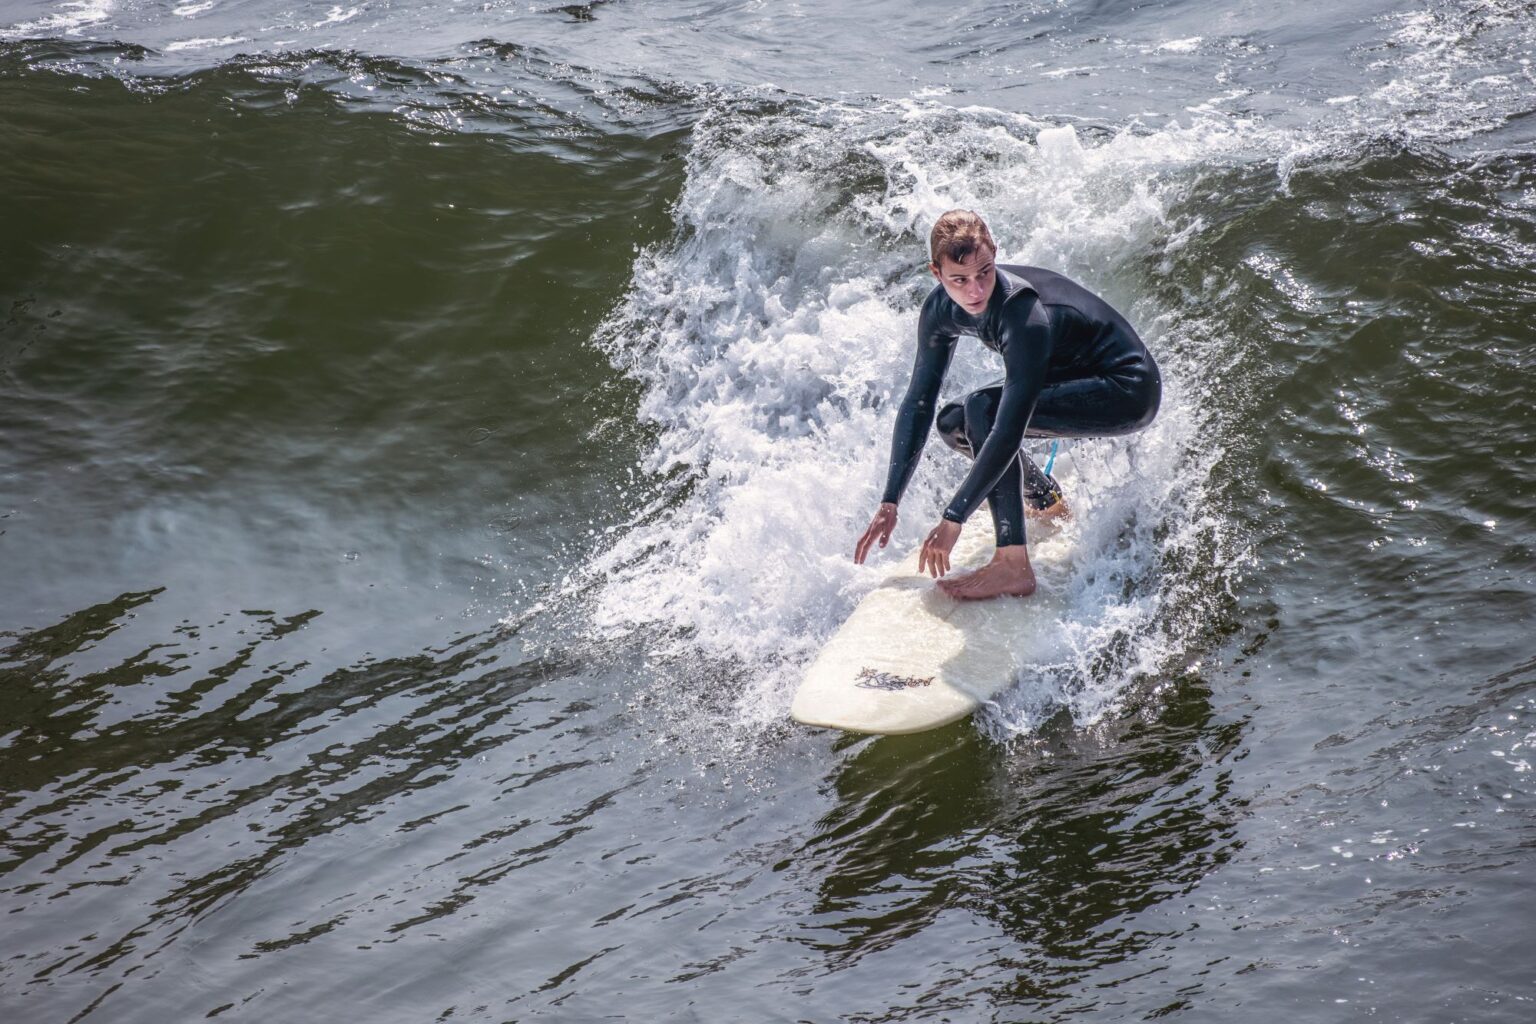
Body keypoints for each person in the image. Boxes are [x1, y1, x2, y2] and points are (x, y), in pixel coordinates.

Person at [853, 209, 1161, 600]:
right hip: (1072, 376)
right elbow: (919, 400)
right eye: (959, 280)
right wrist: (890, 500)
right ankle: (1046, 502)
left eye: (984, 272)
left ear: (994, 254)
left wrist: (953, 518)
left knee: (982, 406)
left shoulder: (1022, 312)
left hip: (1126, 388)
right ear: (937, 274)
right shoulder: (939, 311)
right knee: (952, 421)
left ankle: (1013, 563)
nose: (975, 291)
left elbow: (1009, 427)